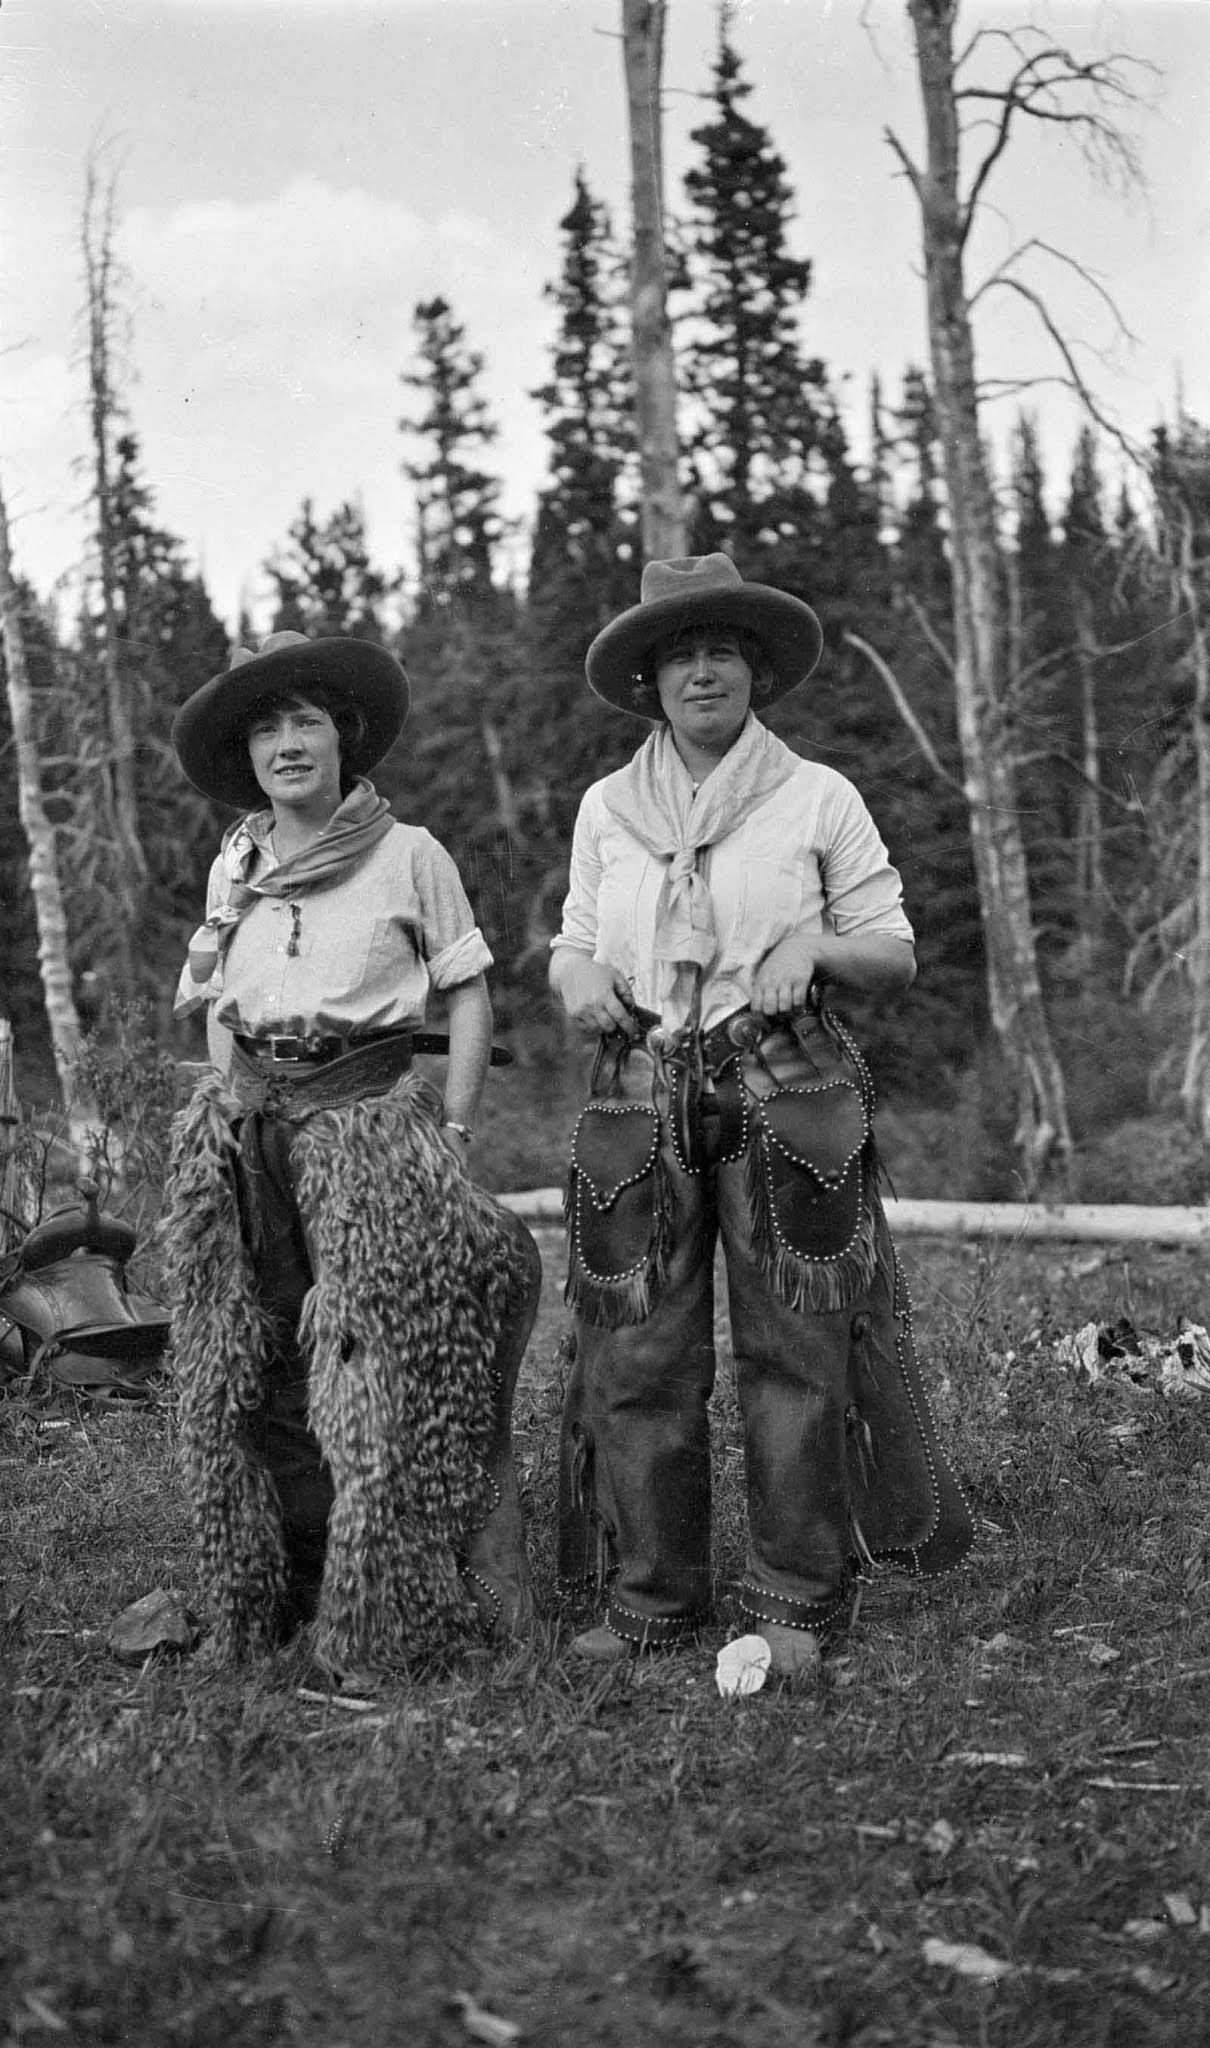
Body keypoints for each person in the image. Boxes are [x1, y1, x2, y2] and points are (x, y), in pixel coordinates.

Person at [549, 554, 972, 1676]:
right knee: (636, 1348)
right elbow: (576, 939)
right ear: (648, 677)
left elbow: (891, 948)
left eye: (722, 650)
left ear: (756, 672)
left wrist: (811, 944)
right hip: (641, 1081)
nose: (702, 671)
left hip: (782, 1080)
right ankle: (649, 1597)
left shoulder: (816, 795)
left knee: (795, 1348)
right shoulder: (607, 807)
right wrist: (575, 978)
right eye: (680, 653)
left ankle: (796, 1591)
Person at [162, 629, 541, 1675]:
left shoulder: (405, 851)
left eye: (306, 721)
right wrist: (229, 1102)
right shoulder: (235, 864)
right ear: (248, 755)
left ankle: (380, 1611)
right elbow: (218, 1003)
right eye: (268, 726)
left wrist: (450, 1133)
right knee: (260, 1364)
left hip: (365, 1130)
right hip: (248, 1137)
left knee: (370, 1371)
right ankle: (277, 1595)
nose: (288, 742)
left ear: (343, 738)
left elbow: (464, 991)